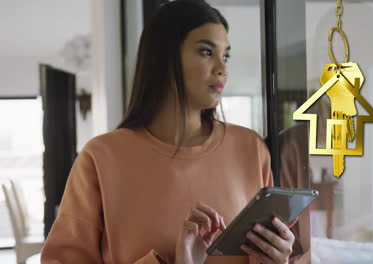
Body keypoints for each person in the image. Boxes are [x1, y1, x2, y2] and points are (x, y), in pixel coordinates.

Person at [40, 0, 296, 263]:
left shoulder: (251, 149)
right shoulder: (101, 158)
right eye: (206, 52)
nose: (222, 68)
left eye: (226, 55)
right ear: (164, 58)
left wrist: (276, 258)